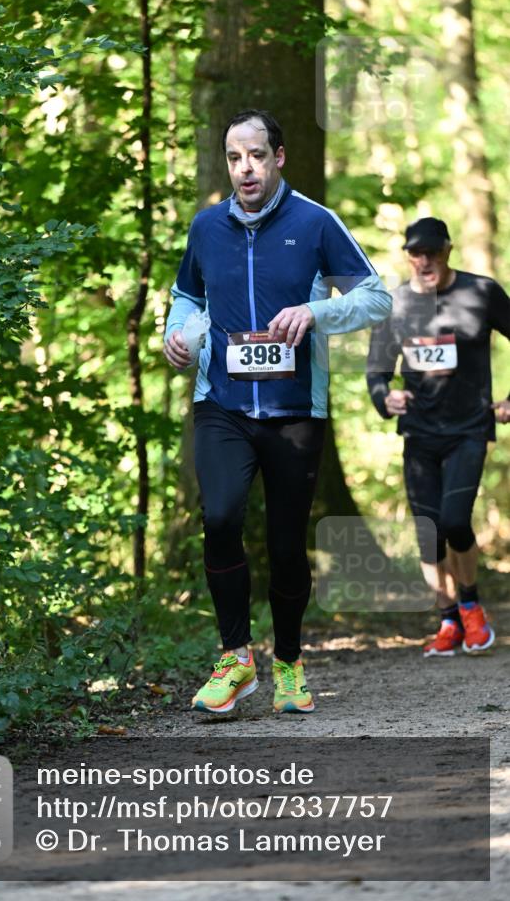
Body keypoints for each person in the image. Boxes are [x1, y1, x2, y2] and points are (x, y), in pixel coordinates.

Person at [163, 109, 391, 715]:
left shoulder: (316, 224)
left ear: (279, 157)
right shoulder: (207, 227)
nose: (246, 169)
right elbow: (187, 296)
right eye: (235, 158)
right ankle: (236, 658)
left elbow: (377, 296)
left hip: (295, 411)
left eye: (257, 156)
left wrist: (317, 314)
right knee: (219, 517)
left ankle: (288, 663)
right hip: (224, 405)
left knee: (288, 546)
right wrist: (180, 333)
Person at [366, 217, 510, 657]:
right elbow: (377, 370)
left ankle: (471, 606)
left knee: (454, 521)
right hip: (419, 433)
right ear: (408, 256)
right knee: (428, 534)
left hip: (468, 428)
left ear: (448, 250)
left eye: (432, 252)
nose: (423, 261)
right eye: (415, 253)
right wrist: (383, 398)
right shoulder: (396, 303)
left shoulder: (480, 292)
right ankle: (447, 619)